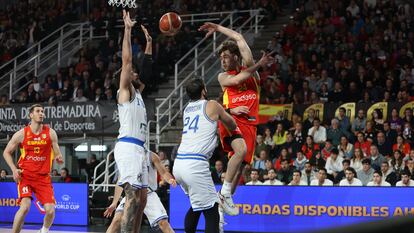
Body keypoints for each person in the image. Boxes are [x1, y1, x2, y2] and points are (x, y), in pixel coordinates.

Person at [199, 21, 274, 216]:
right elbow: (238, 80)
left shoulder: (253, 75)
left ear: (235, 57)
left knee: (239, 172)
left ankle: (221, 210)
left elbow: (240, 38)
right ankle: (223, 194)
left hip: (250, 124)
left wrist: (218, 28)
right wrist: (259, 63)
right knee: (238, 153)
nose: (222, 60)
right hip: (231, 121)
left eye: (226, 57)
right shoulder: (223, 77)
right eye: (221, 57)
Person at [172, 78, 238, 233]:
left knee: (197, 206)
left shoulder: (187, 108)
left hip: (179, 163)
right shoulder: (213, 105)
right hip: (195, 164)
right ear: (203, 90)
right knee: (212, 209)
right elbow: (232, 124)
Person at [113, 11, 153, 233]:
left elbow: (146, 69)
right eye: (133, 73)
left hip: (140, 148)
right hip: (128, 146)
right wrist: (127, 30)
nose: (136, 74)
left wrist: (149, 44)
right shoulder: (125, 92)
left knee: (142, 200)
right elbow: (127, 60)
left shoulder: (139, 93)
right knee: (132, 198)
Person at [3, 104, 64, 233]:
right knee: (25, 207)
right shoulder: (22, 134)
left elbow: (57, 151)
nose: (41, 113)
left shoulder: (50, 133)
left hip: (43, 178)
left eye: (42, 111)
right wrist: (14, 169)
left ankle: (44, 230)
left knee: (51, 210)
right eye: (38, 111)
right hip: (25, 176)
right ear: (31, 115)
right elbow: (6, 152)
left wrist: (58, 157)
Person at [104, 151, 177, 233]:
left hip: (149, 194)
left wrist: (170, 179)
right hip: (132, 194)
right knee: (116, 221)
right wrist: (114, 203)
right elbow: (120, 181)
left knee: (163, 223)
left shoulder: (151, 156)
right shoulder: (128, 158)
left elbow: (164, 172)